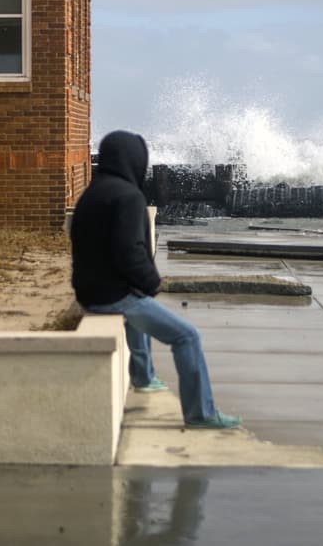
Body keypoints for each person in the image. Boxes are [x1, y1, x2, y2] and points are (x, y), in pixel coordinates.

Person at [70, 130, 241, 430]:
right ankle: (200, 414)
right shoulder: (129, 197)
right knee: (187, 336)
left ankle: (143, 377)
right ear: (134, 160)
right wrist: (152, 282)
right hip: (112, 295)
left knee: (138, 305)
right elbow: (130, 252)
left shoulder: (92, 193)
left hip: (88, 291)